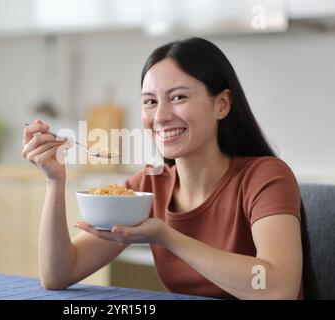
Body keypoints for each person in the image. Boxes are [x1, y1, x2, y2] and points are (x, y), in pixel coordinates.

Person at [22, 37, 303, 299]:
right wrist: (54, 181)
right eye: (150, 102)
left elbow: (279, 287)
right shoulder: (148, 185)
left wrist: (166, 237)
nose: (161, 116)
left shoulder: (265, 176)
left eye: (179, 97)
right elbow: (58, 274)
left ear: (221, 104)